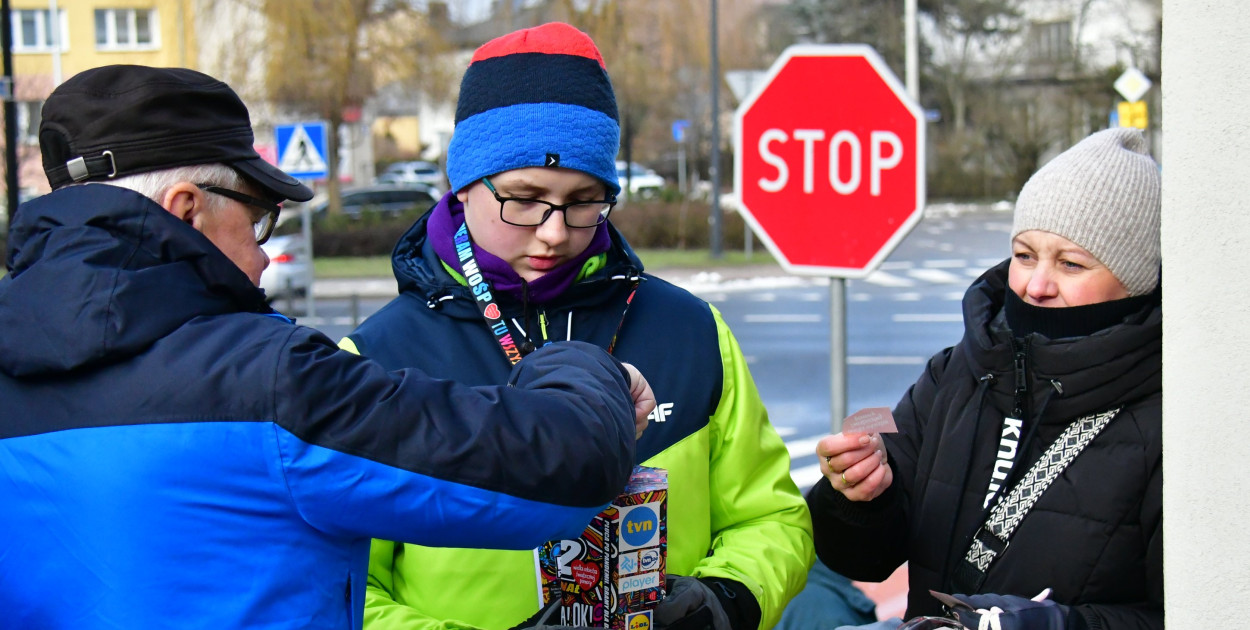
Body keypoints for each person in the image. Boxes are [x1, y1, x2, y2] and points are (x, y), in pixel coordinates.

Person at [0, 64, 656, 629]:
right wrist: (581, 367)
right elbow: (559, 473)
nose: (261, 255)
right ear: (184, 209)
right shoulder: (266, 382)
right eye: (256, 216)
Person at [345, 22, 814, 630]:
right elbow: (346, 583)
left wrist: (725, 602)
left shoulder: (693, 331)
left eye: (585, 200)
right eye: (524, 196)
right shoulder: (373, 357)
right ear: (461, 187)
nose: (554, 231)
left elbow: (771, 519)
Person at [809, 128, 1162, 630]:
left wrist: (1055, 626)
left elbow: (1198, 610)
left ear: (1136, 280)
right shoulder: (957, 371)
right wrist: (858, 497)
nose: (1035, 285)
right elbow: (863, 559)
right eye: (1024, 255)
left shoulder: (1167, 415)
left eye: (1071, 263)